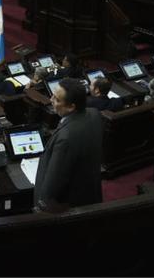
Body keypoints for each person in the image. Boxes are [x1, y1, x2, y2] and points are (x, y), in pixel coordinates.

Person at [34, 79, 103, 210]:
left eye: (57, 99)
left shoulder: (65, 138)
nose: (51, 100)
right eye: (53, 95)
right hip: (89, 186)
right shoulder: (94, 114)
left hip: (70, 201)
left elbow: (53, 184)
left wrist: (40, 205)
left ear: (71, 106)